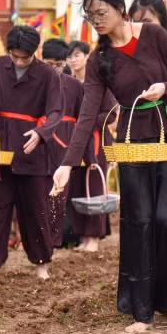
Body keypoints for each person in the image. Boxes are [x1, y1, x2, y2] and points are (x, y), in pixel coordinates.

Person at [51, 0, 167, 333]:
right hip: (131, 142)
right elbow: (87, 114)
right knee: (139, 225)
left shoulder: (155, 37)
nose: (95, 19)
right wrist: (67, 164)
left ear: (120, 9)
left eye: (101, 12)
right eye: (90, 14)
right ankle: (143, 311)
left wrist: (166, 88)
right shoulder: (99, 60)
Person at [0, 25, 63, 280]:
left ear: (34, 52)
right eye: (14, 56)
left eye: (24, 57)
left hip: (32, 152)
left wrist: (41, 133)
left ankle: (41, 263)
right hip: (0, 149)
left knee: (35, 209)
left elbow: (56, 112)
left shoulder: (48, 74)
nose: (18, 61)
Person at [66, 41, 114, 252]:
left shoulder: (99, 83)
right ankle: (83, 237)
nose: (73, 60)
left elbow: (111, 113)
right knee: (77, 187)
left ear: (87, 57)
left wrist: (86, 123)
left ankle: (94, 237)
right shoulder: (67, 84)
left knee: (94, 188)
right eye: (70, 56)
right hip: (73, 143)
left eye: (77, 55)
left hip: (96, 143)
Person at [41, 38, 82, 248]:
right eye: (50, 64)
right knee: (38, 195)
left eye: (59, 64)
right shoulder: (36, 82)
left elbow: (82, 118)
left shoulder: (75, 86)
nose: (56, 69)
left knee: (60, 196)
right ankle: (36, 240)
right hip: (39, 144)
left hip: (64, 143)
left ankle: (55, 241)